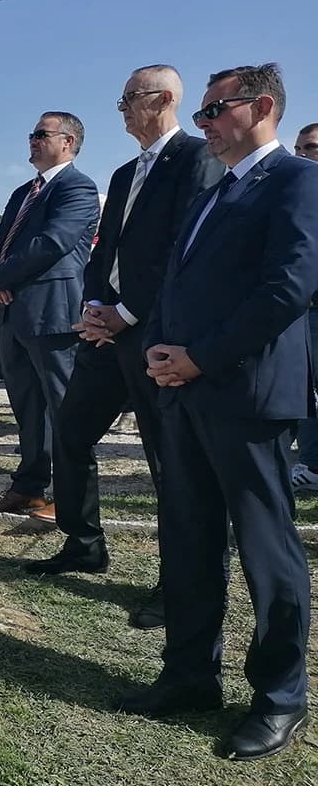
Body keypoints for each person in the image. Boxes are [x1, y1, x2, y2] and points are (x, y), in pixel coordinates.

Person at [121, 64, 318, 762]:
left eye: (213, 110)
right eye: (200, 113)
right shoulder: (216, 189)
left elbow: (287, 288)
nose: (201, 123)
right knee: (189, 535)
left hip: (248, 393)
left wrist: (201, 356)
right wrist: (159, 352)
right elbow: (177, 283)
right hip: (185, 391)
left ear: (261, 106)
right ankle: (189, 674)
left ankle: (280, 697)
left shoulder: (297, 180)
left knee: (266, 549)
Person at [24, 66, 220, 637]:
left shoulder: (195, 159)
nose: (122, 109)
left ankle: (176, 582)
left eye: (129, 99)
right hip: (105, 334)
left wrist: (129, 313)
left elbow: (186, 250)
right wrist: (93, 308)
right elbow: (103, 249)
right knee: (72, 429)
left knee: (169, 464)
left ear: (161, 99)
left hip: (154, 335)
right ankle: (83, 543)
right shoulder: (124, 171)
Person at [0, 112, 100, 514]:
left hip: (53, 314)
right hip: (14, 313)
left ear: (68, 141)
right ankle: (29, 486)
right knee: (27, 407)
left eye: (41, 134)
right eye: (31, 134)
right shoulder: (22, 193)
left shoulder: (78, 187)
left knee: (63, 409)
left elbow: (52, 243)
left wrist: (0, 279)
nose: (32, 140)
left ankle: (68, 497)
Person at [289, 121, 318, 493]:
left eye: (310, 147)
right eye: (299, 148)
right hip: (304, 308)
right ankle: (311, 465)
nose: (302, 154)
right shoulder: (297, 192)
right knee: (305, 389)